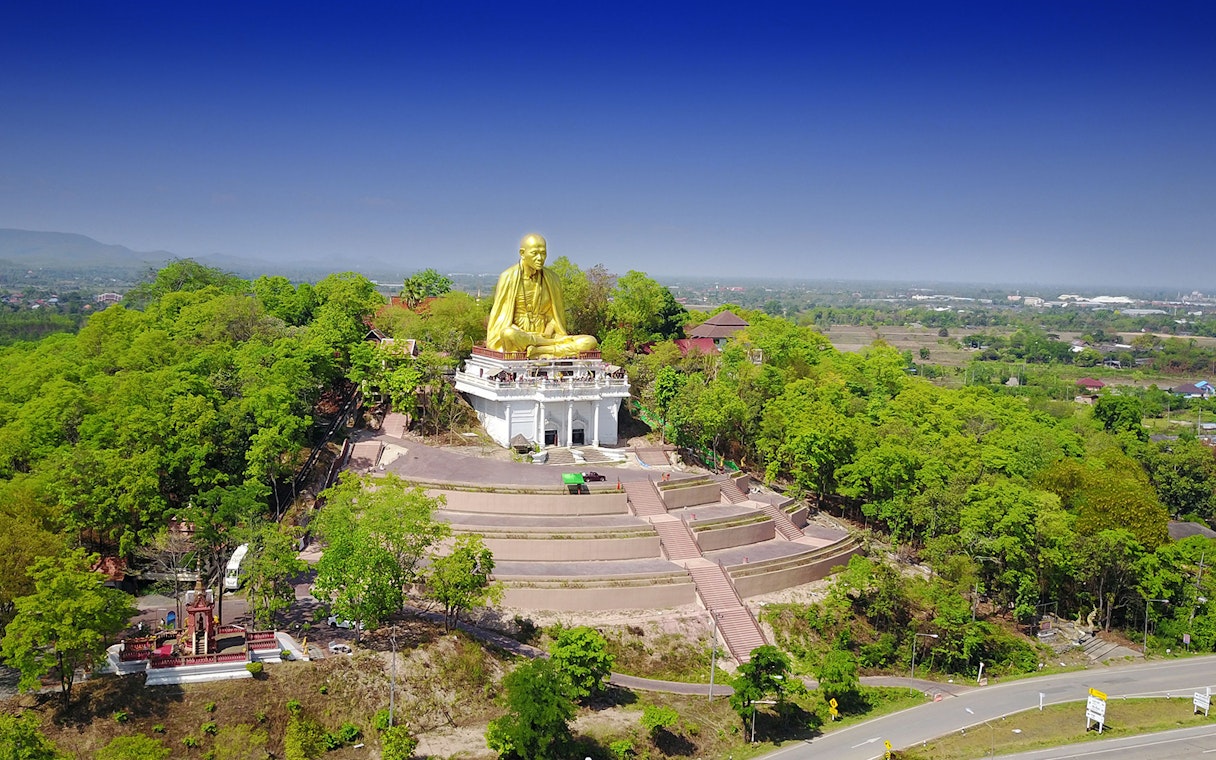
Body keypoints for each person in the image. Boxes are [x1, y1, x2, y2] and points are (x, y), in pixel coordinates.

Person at [486, 233, 598, 358]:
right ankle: (548, 350)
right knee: (508, 333)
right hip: (521, 336)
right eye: (534, 253)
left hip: (546, 337)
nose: (540, 258)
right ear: (522, 253)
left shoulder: (552, 279)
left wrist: (549, 331)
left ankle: (538, 352)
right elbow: (501, 320)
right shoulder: (508, 277)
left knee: (589, 341)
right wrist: (524, 335)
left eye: (543, 253)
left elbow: (554, 318)